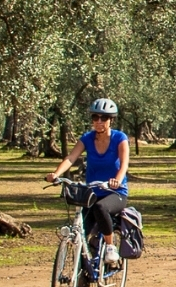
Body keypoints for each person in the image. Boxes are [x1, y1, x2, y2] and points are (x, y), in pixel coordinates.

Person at [47, 98, 130, 268]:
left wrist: (118, 180)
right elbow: (71, 158)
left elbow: (124, 164)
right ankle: (81, 282)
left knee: (101, 208)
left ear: (110, 120)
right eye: (95, 117)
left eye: (104, 118)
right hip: (92, 193)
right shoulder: (87, 138)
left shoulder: (119, 138)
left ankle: (109, 246)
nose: (99, 122)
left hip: (115, 193)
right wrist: (56, 174)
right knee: (80, 232)